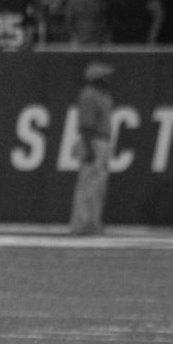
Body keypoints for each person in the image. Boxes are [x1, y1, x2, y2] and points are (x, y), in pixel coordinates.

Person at [69, 61, 114, 236]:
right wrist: (88, 148)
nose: (108, 79)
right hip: (93, 141)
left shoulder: (102, 95)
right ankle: (81, 225)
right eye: (105, 76)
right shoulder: (89, 95)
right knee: (87, 185)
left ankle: (93, 224)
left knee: (97, 186)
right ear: (97, 79)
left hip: (102, 141)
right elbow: (86, 126)